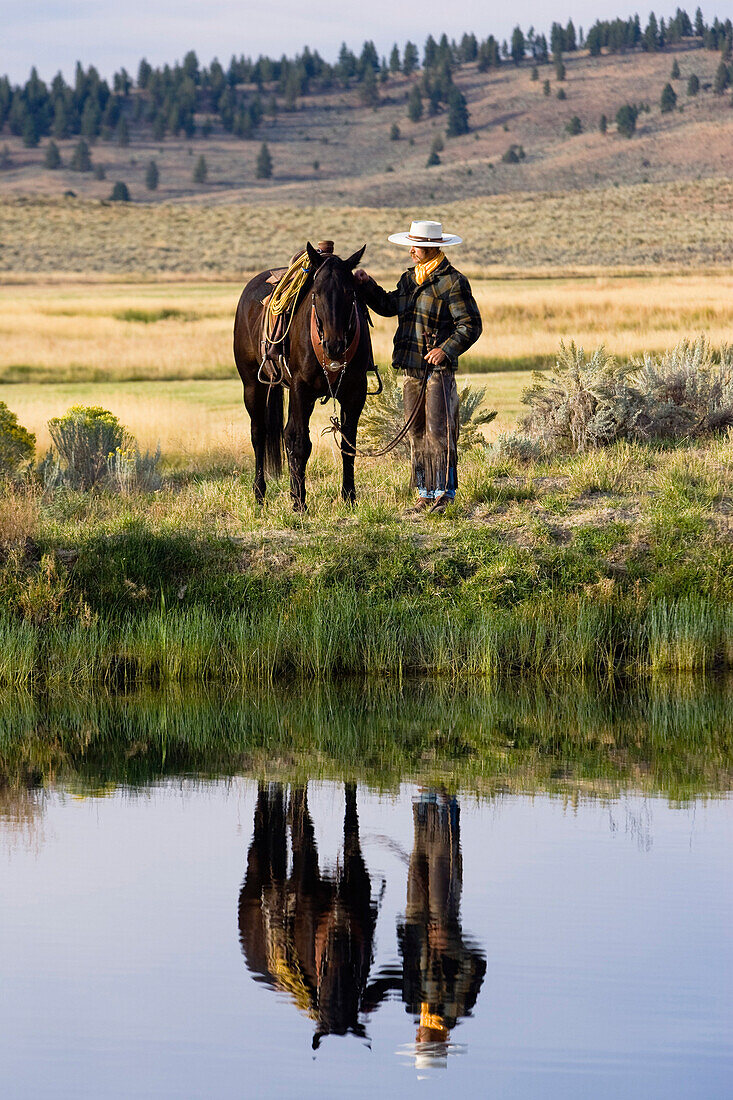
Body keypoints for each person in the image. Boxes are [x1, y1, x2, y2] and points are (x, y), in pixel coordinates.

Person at [354, 220, 482, 513]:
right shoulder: (408, 280)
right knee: (416, 432)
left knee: (440, 431)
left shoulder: (453, 281)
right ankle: (424, 494)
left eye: (418, 247)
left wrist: (445, 350)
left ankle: (445, 494)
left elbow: (471, 324)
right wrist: (368, 284)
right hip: (410, 368)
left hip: (438, 372)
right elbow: (388, 306)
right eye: (411, 246)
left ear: (433, 248)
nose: (412, 251)